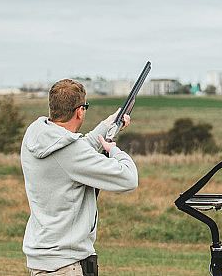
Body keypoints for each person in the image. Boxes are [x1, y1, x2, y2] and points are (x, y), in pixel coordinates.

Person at [21, 79, 138, 275]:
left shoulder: (35, 134)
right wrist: (114, 150)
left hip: (43, 260)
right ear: (80, 111)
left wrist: (108, 124)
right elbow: (129, 178)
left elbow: (75, 150)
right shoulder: (70, 153)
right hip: (66, 264)